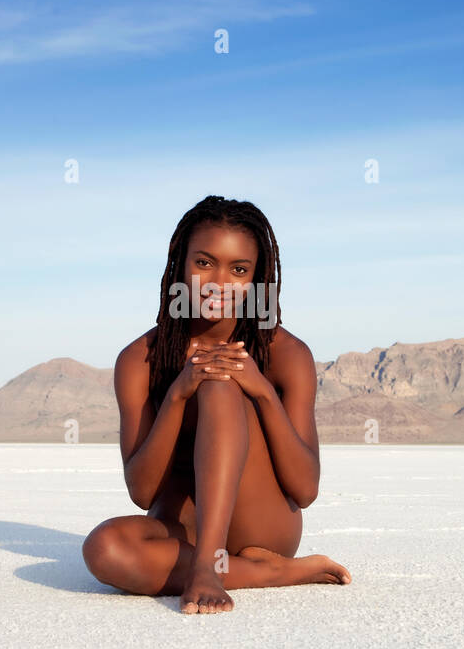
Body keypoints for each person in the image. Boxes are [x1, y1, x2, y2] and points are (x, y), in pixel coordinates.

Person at [82, 195, 351, 614]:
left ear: (257, 279)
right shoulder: (139, 360)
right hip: (185, 532)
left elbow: (305, 489)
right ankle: (269, 573)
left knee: (221, 384)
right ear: (179, 263)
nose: (218, 283)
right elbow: (142, 492)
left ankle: (209, 567)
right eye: (204, 263)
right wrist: (177, 394)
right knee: (105, 549)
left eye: (239, 270)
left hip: (260, 530)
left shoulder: (286, 353)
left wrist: (260, 391)